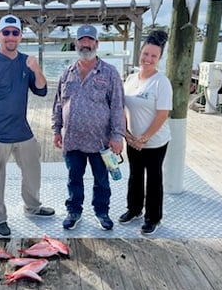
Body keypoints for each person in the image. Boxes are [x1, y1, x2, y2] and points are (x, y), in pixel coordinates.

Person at [0, 14, 55, 237]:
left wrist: (36, 69)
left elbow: (42, 91)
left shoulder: (26, 62)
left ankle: (33, 207)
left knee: (33, 171)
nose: (11, 37)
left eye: (15, 33)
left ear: (21, 36)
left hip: (22, 132)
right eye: (6, 32)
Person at [51, 24, 125, 231]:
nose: (85, 44)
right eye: (81, 40)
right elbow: (58, 103)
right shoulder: (67, 73)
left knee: (101, 180)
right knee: (74, 178)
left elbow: (118, 106)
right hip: (72, 139)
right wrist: (56, 130)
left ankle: (102, 212)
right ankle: (74, 211)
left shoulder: (110, 73)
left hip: (100, 141)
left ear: (96, 43)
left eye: (89, 40)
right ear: (76, 43)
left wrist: (117, 136)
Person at [119, 29, 172, 236]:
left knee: (154, 178)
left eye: (153, 56)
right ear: (139, 53)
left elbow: (162, 114)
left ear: (159, 58)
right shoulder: (131, 78)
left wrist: (145, 138)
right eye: (145, 54)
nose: (148, 59)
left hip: (155, 141)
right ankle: (134, 209)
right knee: (135, 175)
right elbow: (122, 107)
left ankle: (153, 217)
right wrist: (125, 132)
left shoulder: (161, 82)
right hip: (132, 140)